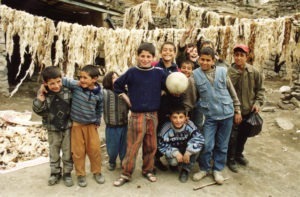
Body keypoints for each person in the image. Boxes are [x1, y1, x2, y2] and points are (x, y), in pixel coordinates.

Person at [183, 47, 242, 184]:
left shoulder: (222, 71)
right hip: (209, 116)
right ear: (198, 59)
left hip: (227, 113)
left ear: (213, 60)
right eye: (202, 59)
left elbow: (231, 91)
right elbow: (191, 97)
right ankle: (204, 169)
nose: (204, 62)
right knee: (207, 144)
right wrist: (186, 112)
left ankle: (217, 170)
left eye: (208, 60)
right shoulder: (195, 75)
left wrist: (237, 109)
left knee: (222, 144)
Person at [113, 42, 167, 187]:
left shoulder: (159, 73)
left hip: (153, 115)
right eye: (142, 56)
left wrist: (158, 94)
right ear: (137, 56)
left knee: (151, 145)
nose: (145, 59)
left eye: (148, 56)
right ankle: (126, 173)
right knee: (133, 146)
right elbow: (117, 85)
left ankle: (148, 170)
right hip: (137, 115)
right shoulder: (132, 72)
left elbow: (168, 85)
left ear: (153, 57)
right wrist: (127, 100)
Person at [62, 65, 104, 187]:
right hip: (76, 125)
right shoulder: (77, 86)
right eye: (80, 77)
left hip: (91, 125)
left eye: (85, 78)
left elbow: (99, 108)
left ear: (94, 79)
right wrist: (45, 84)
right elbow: (63, 79)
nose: (82, 80)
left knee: (95, 150)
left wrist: (97, 120)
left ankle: (97, 172)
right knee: (78, 151)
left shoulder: (99, 94)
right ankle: (80, 175)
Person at [32, 66, 73, 187]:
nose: (56, 85)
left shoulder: (68, 91)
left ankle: (67, 173)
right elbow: (38, 111)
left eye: (58, 81)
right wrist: (40, 99)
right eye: (52, 83)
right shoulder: (44, 94)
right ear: (45, 83)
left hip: (67, 127)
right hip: (52, 128)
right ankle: (55, 173)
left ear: (62, 79)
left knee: (67, 152)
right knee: (54, 151)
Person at [227, 44, 265, 173]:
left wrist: (257, 103)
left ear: (247, 57)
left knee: (243, 134)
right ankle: (230, 159)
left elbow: (260, 90)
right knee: (232, 136)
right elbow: (225, 92)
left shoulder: (254, 72)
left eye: (241, 55)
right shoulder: (228, 73)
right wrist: (235, 111)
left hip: (248, 110)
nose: (238, 58)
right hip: (232, 112)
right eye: (236, 55)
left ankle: (238, 154)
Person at [153, 41, 181, 171]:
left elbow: (179, 87)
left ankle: (168, 157)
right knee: (153, 133)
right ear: (161, 52)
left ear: (174, 53)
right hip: (156, 106)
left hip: (171, 106)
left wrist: (168, 91)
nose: (167, 52)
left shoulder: (176, 69)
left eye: (171, 50)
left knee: (168, 133)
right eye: (165, 50)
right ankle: (153, 160)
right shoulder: (155, 67)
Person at [158, 105, 204, 183]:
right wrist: (174, 152)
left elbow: (199, 139)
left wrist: (189, 151)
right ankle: (175, 164)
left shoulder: (189, 125)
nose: (178, 120)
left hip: (186, 149)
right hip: (174, 149)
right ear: (170, 118)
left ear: (186, 118)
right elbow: (161, 144)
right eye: (175, 117)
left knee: (197, 149)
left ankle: (185, 170)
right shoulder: (166, 128)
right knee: (173, 162)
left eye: (181, 117)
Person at [102, 71, 129, 171]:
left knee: (124, 147)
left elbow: (131, 105)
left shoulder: (125, 92)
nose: (116, 79)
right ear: (108, 80)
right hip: (111, 126)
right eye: (113, 78)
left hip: (124, 125)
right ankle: (112, 161)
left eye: (118, 77)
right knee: (112, 148)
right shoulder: (104, 93)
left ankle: (123, 161)